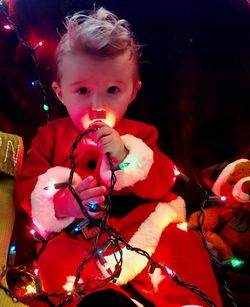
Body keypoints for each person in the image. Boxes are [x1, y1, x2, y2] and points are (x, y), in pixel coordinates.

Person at [15, 7, 222, 307]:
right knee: (54, 260)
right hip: (78, 234)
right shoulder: (49, 136)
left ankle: (189, 302)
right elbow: (27, 187)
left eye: (113, 90)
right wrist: (63, 202)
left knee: (183, 243)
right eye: (82, 90)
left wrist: (126, 157)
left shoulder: (141, 134)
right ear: (60, 93)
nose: (97, 106)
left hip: (141, 224)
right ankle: (102, 301)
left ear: (133, 92)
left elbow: (162, 179)